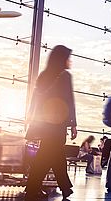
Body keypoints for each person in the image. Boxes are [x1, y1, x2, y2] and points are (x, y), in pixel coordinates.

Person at [25, 45, 77, 200]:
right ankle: (64, 187)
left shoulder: (44, 75)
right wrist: (73, 123)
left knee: (47, 155)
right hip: (57, 123)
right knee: (53, 154)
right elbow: (69, 100)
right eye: (68, 58)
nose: (70, 61)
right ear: (62, 59)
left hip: (44, 123)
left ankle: (34, 187)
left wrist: (30, 116)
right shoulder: (65, 75)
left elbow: (35, 98)